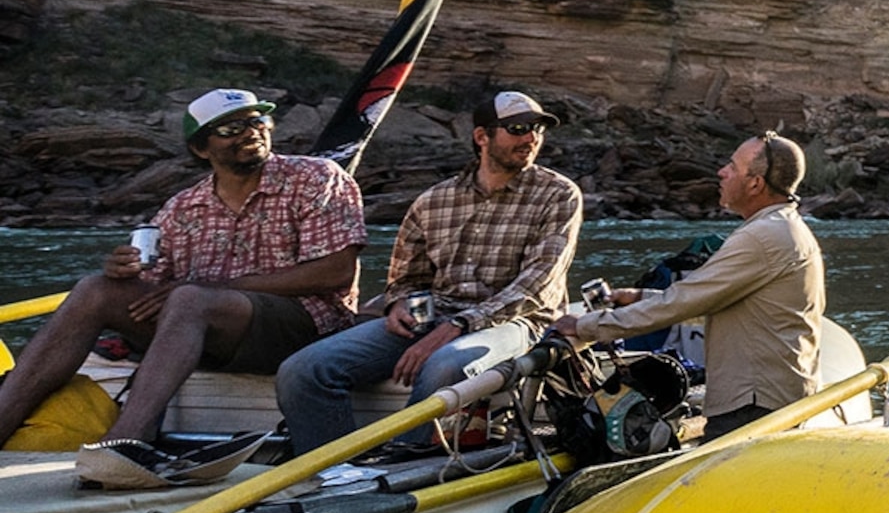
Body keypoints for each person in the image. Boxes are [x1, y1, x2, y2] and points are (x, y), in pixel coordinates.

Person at [0, 89, 363, 485]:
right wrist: (124, 275)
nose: (250, 132)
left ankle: (125, 445)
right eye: (230, 127)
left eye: (258, 121)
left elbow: (336, 272)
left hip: (307, 328)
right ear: (201, 148)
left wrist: (211, 287)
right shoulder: (182, 207)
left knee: (190, 297)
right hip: (205, 327)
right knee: (95, 290)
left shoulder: (317, 177)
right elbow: (155, 288)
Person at [275, 90, 582, 456]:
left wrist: (460, 325)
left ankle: (400, 465)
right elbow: (407, 279)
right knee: (302, 370)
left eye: (538, 129)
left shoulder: (559, 195)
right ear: (482, 137)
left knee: (445, 366)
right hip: (435, 317)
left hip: (518, 323)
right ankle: (337, 470)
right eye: (517, 128)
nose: (531, 138)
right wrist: (400, 305)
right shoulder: (433, 200)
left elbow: (536, 284)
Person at [555, 133, 825, 439]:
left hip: (753, 403)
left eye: (732, 167)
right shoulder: (783, 227)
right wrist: (641, 296)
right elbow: (726, 304)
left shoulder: (761, 237)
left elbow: (685, 300)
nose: (721, 172)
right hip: (772, 394)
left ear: (755, 184)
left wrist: (588, 326)